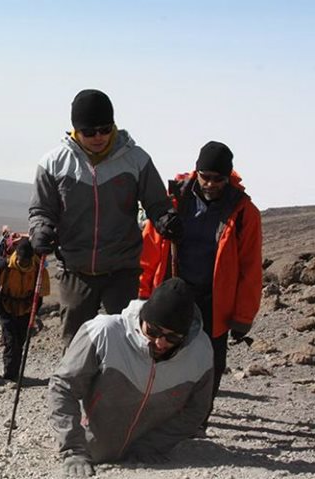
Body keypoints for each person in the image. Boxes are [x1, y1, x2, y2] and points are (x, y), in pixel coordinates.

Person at [29, 89, 181, 351]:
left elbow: (157, 203)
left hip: (122, 268)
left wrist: (166, 219)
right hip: (75, 269)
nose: (99, 136)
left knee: (126, 342)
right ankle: (74, 391)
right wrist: (40, 230)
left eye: (105, 129)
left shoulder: (136, 159)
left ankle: (121, 392)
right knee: (75, 345)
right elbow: (41, 210)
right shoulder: (53, 164)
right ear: (75, 130)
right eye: (90, 131)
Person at [139, 140, 262, 434]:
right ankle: (154, 418)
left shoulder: (244, 212)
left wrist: (243, 317)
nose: (210, 184)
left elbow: (250, 269)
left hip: (214, 301)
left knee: (210, 366)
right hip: (173, 295)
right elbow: (150, 249)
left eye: (217, 179)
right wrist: (144, 295)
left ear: (228, 176)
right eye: (205, 176)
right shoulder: (174, 201)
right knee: (162, 356)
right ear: (196, 172)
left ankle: (196, 424)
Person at [49, 278, 214, 477]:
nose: (160, 343)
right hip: (90, 445)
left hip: (149, 454)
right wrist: (73, 450)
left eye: (172, 338)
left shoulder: (200, 352)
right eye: (153, 331)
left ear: (185, 335)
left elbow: (196, 409)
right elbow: (63, 387)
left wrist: (154, 444)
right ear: (143, 318)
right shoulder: (104, 332)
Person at [0, 240, 50, 385]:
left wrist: (32, 314)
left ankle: (15, 374)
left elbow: (39, 295)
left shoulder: (36, 268)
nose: (23, 264)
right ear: (16, 256)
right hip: (7, 309)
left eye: (25, 261)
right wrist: (3, 315)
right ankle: (10, 376)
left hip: (25, 310)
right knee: (11, 342)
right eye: (21, 261)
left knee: (20, 341)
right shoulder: (4, 266)